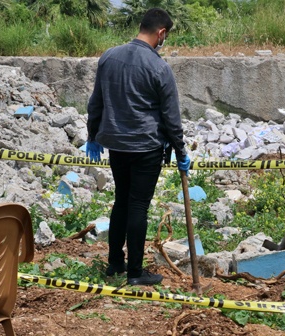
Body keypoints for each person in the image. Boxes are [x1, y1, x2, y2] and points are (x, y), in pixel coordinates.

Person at [86, 8, 191, 286]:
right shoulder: (159, 67)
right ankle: (135, 272)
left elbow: (96, 102)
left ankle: (114, 264)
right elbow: (171, 118)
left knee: (121, 200)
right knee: (138, 206)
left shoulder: (109, 56)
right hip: (146, 147)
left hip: (117, 146)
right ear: (161, 33)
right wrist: (181, 152)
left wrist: (92, 135)